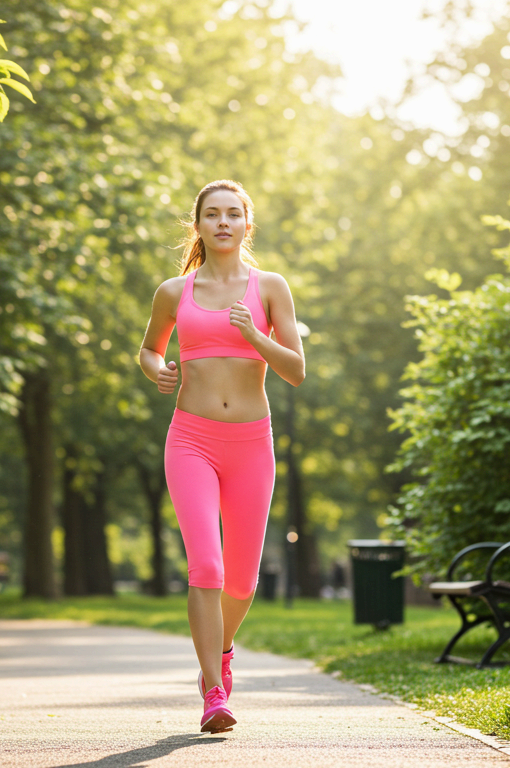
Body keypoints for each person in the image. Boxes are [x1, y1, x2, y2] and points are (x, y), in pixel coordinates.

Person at [138, 179, 305, 734]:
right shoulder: (173, 291)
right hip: (191, 439)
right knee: (206, 567)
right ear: (199, 225)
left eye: (234, 214)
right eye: (213, 215)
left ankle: (223, 649)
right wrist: (156, 369)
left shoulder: (271, 286)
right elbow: (149, 347)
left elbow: (296, 371)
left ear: (247, 224)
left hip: (251, 443)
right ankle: (213, 691)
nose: (224, 223)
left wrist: (254, 335)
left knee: (243, 582)